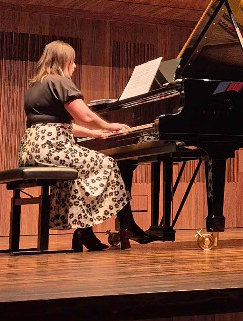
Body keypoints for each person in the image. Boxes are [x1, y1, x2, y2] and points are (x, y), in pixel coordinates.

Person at [19, 40, 152, 250]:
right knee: (108, 165)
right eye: (72, 61)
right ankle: (126, 223)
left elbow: (59, 124)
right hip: (53, 147)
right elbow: (85, 115)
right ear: (63, 61)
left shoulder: (36, 86)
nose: (75, 66)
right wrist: (109, 127)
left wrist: (92, 133)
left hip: (33, 148)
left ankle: (84, 233)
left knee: (79, 175)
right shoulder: (60, 81)